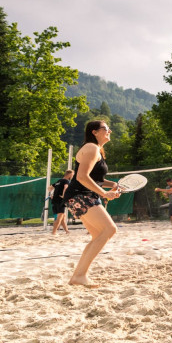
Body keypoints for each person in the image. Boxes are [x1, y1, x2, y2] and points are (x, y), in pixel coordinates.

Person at [63, 120, 121, 287]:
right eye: (106, 128)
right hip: (80, 195)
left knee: (98, 236)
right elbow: (81, 177)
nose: (109, 130)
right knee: (110, 229)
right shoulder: (91, 148)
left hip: (81, 195)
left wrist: (111, 186)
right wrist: (104, 193)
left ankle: (78, 276)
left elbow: (95, 179)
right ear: (94, 132)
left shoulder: (97, 150)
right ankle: (80, 276)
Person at [48, 169, 74, 235]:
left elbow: (49, 188)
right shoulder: (66, 181)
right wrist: (64, 196)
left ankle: (67, 231)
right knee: (59, 217)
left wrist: (51, 194)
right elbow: (65, 188)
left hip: (54, 200)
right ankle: (54, 232)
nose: (72, 176)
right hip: (60, 200)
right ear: (70, 174)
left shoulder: (58, 181)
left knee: (62, 217)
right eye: (72, 175)